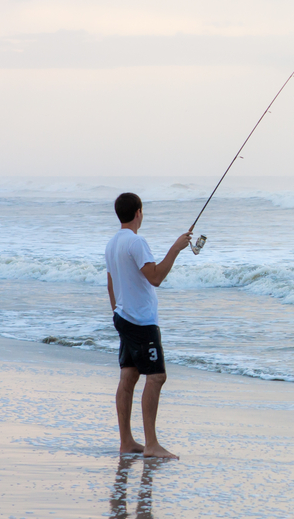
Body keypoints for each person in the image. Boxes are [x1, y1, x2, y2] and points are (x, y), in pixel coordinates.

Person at [105, 192, 191, 459]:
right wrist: (176, 248)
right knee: (156, 377)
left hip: (124, 317)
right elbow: (155, 277)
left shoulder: (112, 244)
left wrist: (118, 313)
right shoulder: (136, 241)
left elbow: (111, 282)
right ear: (139, 213)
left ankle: (127, 442)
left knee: (128, 377)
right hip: (140, 321)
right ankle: (151, 444)